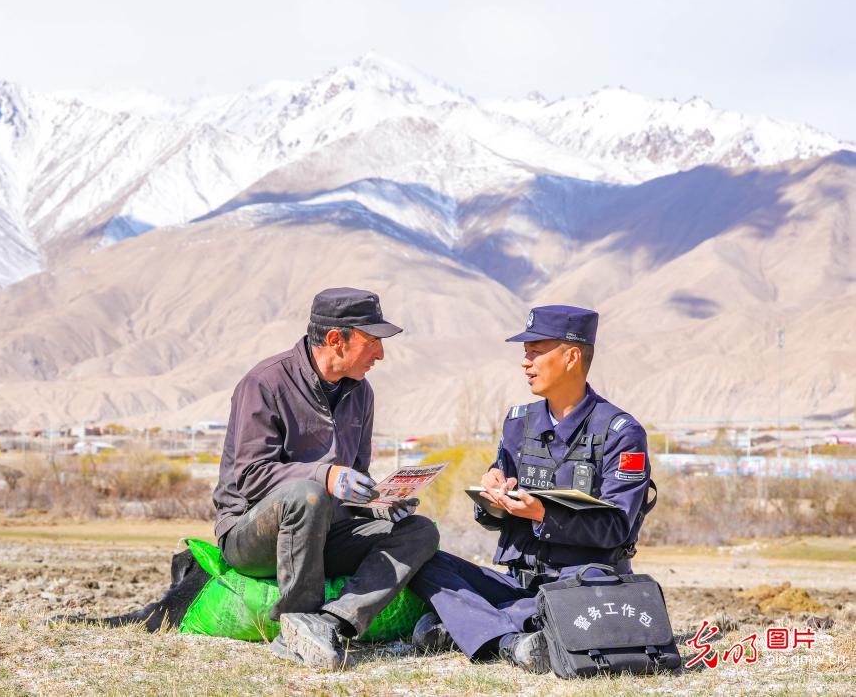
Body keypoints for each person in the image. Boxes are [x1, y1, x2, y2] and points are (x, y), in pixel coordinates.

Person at [408, 305, 654, 672]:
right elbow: (498, 508)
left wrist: (543, 514)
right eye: (526, 353)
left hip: (584, 583)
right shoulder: (519, 423)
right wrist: (492, 494)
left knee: (569, 605)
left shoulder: (620, 433)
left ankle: (475, 626)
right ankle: (513, 640)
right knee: (422, 559)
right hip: (518, 583)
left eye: (536, 352)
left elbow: (616, 527)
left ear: (571, 356)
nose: (526, 362)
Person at [211, 287, 440, 669]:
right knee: (307, 494)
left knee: (421, 531)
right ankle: (296, 623)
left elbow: (355, 477)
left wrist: (380, 503)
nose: (381, 355)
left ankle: (334, 620)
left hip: (328, 531)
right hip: (251, 536)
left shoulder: (361, 393)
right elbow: (250, 477)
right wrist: (326, 476)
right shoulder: (265, 384)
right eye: (372, 342)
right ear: (336, 339)